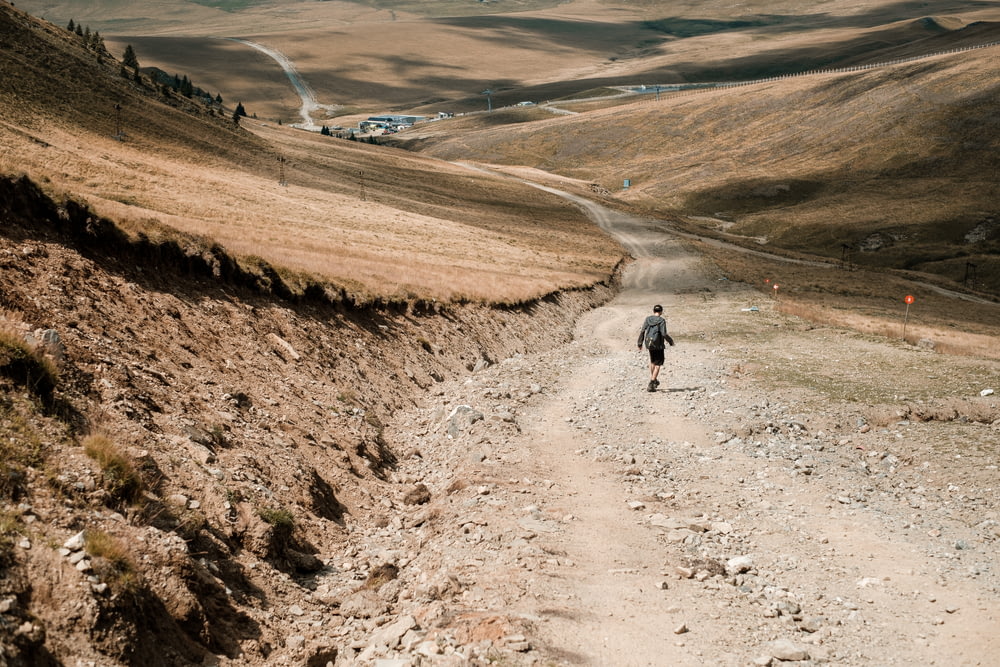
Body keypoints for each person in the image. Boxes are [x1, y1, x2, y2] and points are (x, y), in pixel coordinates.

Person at [636, 304, 674, 392]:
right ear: (661, 311)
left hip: (649, 344)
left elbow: (642, 331)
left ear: (653, 311)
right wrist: (670, 341)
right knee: (658, 364)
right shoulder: (661, 320)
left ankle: (654, 379)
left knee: (653, 361)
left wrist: (640, 343)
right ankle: (652, 382)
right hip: (658, 345)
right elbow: (664, 334)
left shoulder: (648, 319)